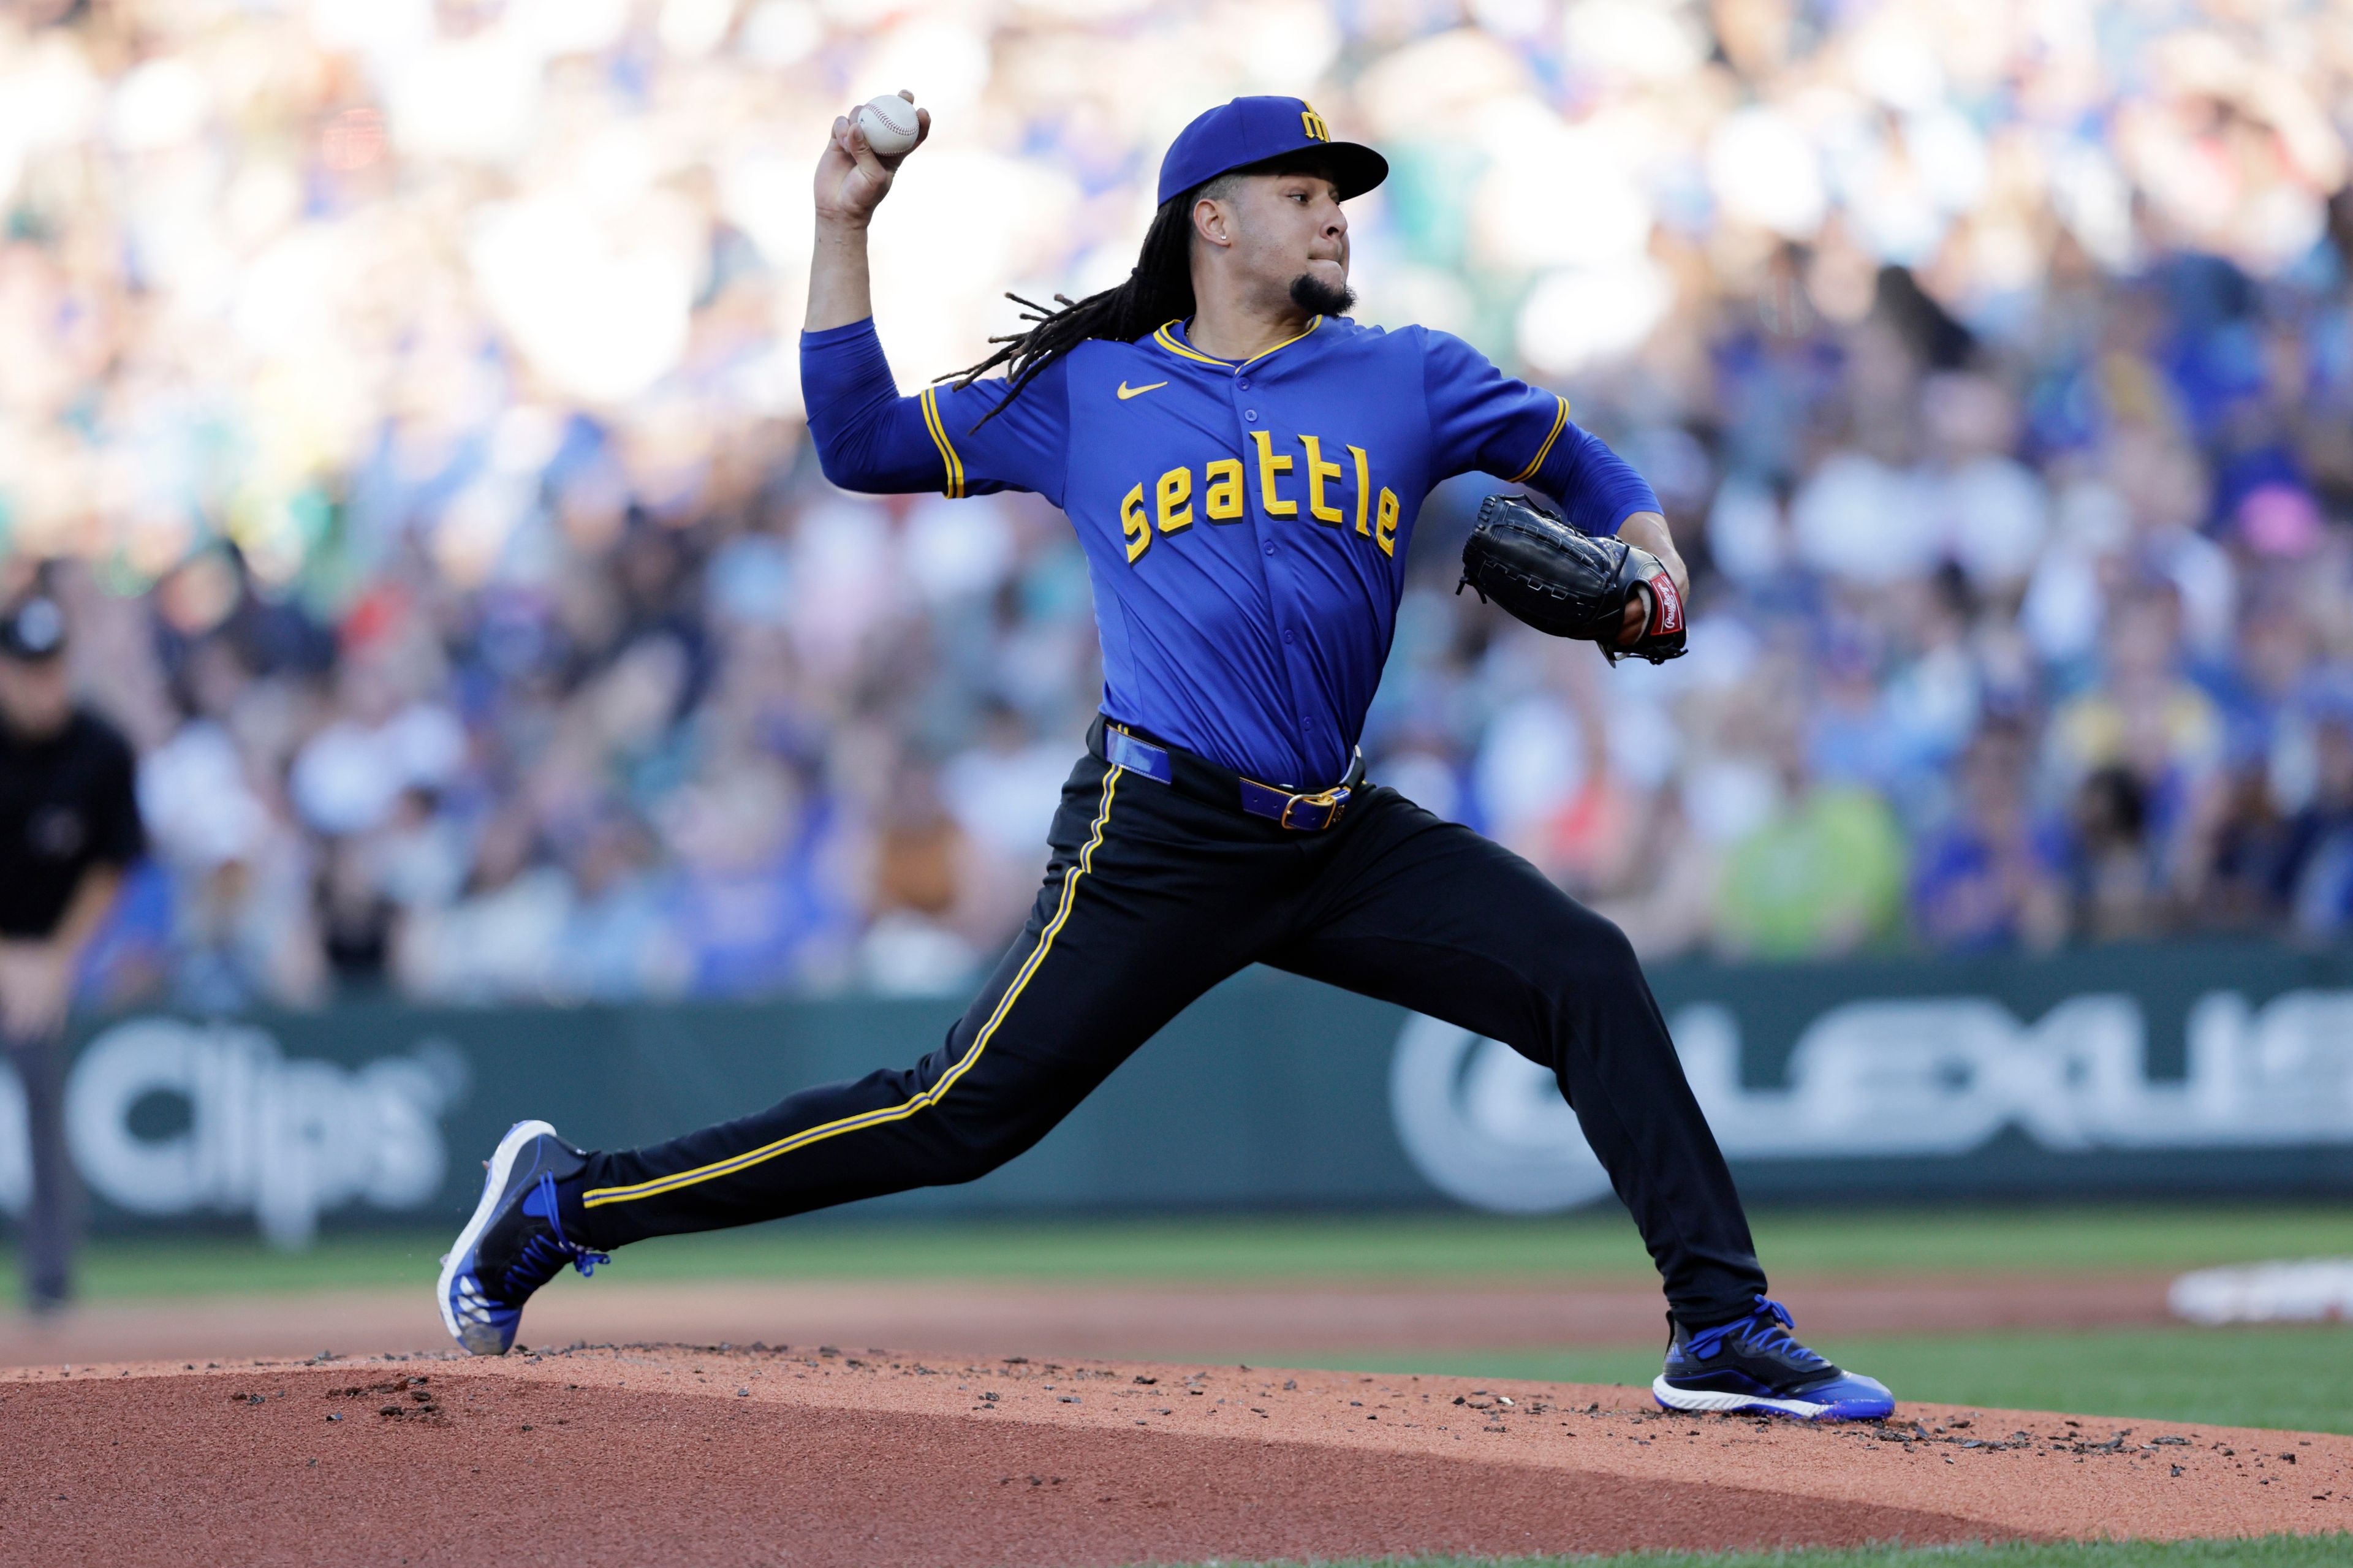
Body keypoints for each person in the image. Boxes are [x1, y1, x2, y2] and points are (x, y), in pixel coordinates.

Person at [438, 94, 1893, 1421]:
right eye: (1303, 189)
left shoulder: (1406, 377)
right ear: (1212, 218)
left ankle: (1719, 1325)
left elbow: (1589, 468)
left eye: (1342, 195)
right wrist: (840, 223)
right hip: (1160, 831)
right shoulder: (1091, 392)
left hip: (1337, 834)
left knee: (1585, 970)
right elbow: (860, 442)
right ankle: (567, 1202)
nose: (1334, 213)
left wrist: (1651, 557)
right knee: (955, 1114)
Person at [0, 594, 143, 1312]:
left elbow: (111, 867)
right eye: (28, 672)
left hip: (46, 959)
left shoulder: (101, 749)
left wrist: (55, 957)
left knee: (44, 1107)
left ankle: (50, 1287)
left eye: (52, 669)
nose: (43, 686)